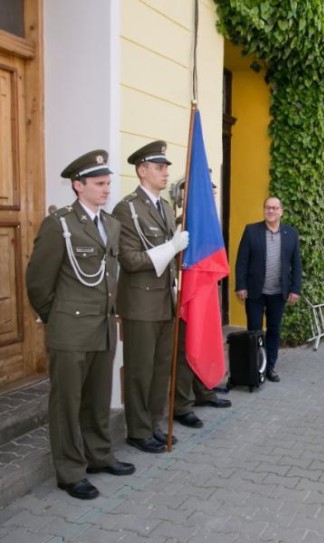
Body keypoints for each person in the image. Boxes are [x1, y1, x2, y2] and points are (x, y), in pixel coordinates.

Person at [26, 150, 135, 500]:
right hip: (70, 330)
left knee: (98, 398)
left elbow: (109, 277)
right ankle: (71, 470)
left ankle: (99, 455)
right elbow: (38, 282)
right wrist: (56, 317)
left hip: (103, 326)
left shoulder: (112, 225)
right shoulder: (60, 225)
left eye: (108, 183)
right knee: (67, 402)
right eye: (99, 184)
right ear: (78, 186)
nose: (106, 190)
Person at [112, 140, 189, 454]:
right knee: (140, 370)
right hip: (141, 304)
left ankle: (153, 424)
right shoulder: (127, 208)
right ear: (142, 171)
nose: (165, 172)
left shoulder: (165, 208)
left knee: (160, 369)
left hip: (164, 303)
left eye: (166, 167)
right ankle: (138, 430)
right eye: (159, 167)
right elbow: (129, 260)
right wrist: (172, 247)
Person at [171, 179, 231, 428]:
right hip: (188, 296)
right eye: (208, 191)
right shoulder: (182, 223)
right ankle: (182, 406)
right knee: (186, 349)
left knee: (203, 342)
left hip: (205, 294)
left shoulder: (207, 221)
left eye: (214, 191)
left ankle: (204, 391)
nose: (213, 195)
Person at [234, 196, 302, 383]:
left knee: (274, 330)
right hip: (255, 292)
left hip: (278, 293)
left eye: (274, 208)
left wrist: (295, 289)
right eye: (267, 208)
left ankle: (270, 366)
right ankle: (255, 368)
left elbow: (297, 264)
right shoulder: (251, 231)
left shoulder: (291, 234)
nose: (270, 211)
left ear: (281, 211)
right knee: (254, 331)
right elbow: (242, 261)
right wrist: (240, 285)